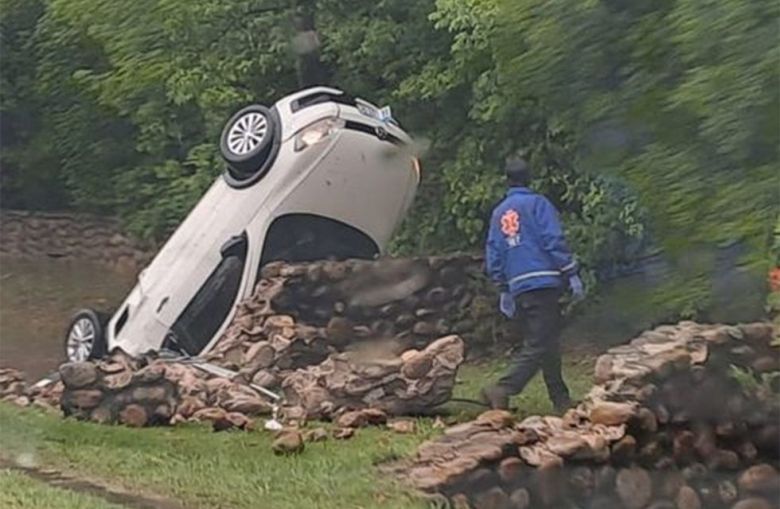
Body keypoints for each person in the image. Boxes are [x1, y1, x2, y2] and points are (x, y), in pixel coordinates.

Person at [480, 158, 584, 411]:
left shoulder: (499, 212)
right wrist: (570, 271)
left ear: (507, 180)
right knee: (539, 343)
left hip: (519, 286)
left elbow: (494, 252)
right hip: (544, 280)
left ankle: (560, 399)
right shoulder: (538, 204)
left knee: (546, 340)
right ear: (529, 178)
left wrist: (503, 286)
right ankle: (504, 387)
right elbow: (552, 238)